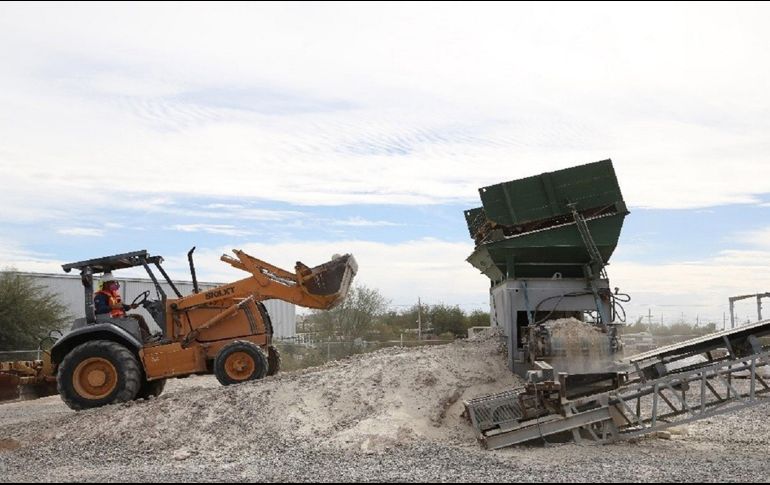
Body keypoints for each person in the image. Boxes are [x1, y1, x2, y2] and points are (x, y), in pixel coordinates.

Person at [94, 273, 154, 342]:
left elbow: (123, 307)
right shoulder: (100, 296)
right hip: (111, 320)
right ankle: (146, 339)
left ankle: (149, 336)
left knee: (139, 317)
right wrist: (113, 307)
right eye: (112, 282)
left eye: (114, 282)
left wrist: (131, 306)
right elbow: (100, 310)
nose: (115, 284)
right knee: (133, 323)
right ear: (106, 284)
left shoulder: (113, 294)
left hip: (120, 317)